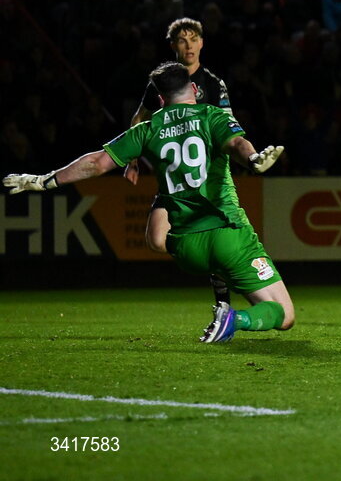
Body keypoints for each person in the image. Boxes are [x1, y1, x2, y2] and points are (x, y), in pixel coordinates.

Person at [4, 61, 290, 343]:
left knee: (160, 230)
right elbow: (237, 144)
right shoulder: (210, 115)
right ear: (194, 89)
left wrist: (45, 180)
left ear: (161, 98)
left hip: (185, 247)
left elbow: (96, 163)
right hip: (228, 235)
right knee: (284, 315)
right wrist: (253, 159)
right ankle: (234, 318)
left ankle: (215, 272)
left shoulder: (147, 128)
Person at [126, 18, 234, 302]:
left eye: (194, 39)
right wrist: (132, 158)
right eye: (182, 40)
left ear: (202, 42)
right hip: (174, 176)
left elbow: (228, 124)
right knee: (157, 240)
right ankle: (207, 258)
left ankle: (222, 299)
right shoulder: (163, 82)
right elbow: (139, 118)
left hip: (207, 176)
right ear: (173, 45)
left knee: (218, 235)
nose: (189, 46)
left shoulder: (212, 84)